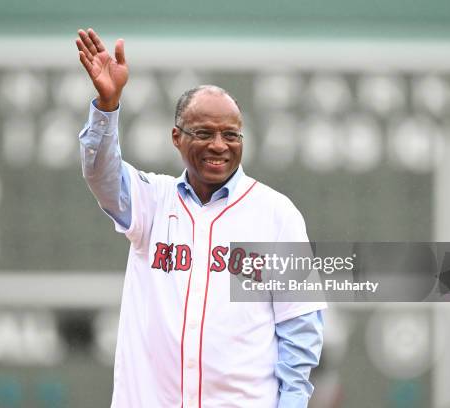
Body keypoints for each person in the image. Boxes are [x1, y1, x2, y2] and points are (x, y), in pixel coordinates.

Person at [75, 28, 326, 408]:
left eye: (231, 134)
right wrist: (107, 106)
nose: (219, 145)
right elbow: (100, 174)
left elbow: (299, 329)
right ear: (176, 138)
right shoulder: (152, 200)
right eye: (204, 133)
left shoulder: (275, 214)